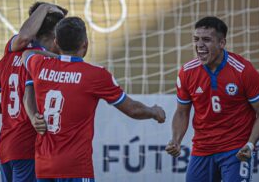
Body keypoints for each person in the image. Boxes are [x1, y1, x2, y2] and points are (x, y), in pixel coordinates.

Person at [21, 16, 166, 181]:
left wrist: (58, 60)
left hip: (44, 166)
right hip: (76, 167)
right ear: (85, 44)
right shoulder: (96, 75)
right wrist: (154, 111)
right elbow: (133, 110)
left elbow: (27, 53)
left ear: (56, 43)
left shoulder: (39, 65)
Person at [165, 16, 259, 182]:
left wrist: (250, 144)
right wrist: (176, 140)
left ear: (222, 43)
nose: (199, 45)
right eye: (196, 39)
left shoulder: (244, 71)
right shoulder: (187, 72)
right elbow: (181, 112)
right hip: (202, 149)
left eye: (206, 40)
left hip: (236, 150)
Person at [0, 1, 67, 182]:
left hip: (7, 147)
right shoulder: (43, 62)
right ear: (55, 34)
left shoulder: (9, 55)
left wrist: (13, 113)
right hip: (29, 147)